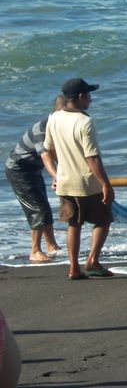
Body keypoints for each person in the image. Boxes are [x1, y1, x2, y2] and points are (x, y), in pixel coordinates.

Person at [44, 78, 115, 279]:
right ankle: (92, 259)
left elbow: (48, 149)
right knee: (104, 219)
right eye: (89, 96)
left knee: (73, 224)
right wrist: (106, 184)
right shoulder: (85, 121)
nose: (91, 99)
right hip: (86, 183)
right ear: (81, 97)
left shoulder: (54, 118)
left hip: (65, 182)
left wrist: (59, 171)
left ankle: (73, 267)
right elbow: (92, 157)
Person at [5, 95, 65, 263]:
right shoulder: (43, 128)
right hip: (18, 170)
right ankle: (35, 251)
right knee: (38, 208)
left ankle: (51, 245)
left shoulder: (57, 128)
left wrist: (61, 173)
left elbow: (57, 154)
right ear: (58, 112)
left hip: (33, 169)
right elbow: (46, 155)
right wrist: (56, 176)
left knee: (44, 205)